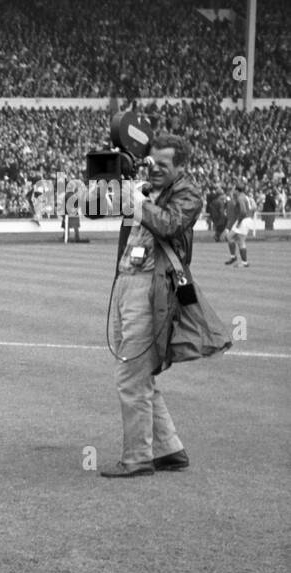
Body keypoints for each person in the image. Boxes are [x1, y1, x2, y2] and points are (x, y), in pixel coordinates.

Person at [101, 133, 201, 478]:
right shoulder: (142, 190)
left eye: (163, 165)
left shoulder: (188, 194)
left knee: (131, 377)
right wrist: (113, 181)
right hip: (128, 282)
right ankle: (169, 449)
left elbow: (171, 224)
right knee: (140, 374)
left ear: (181, 166)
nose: (154, 169)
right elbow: (94, 209)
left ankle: (138, 458)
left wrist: (137, 201)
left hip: (151, 289)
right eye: (150, 162)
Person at [223, 182, 254, 267]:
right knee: (231, 238)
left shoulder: (240, 198)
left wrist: (239, 222)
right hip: (246, 219)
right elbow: (253, 207)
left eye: (234, 189)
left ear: (237, 190)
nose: (233, 191)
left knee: (238, 240)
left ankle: (243, 262)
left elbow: (243, 211)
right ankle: (235, 258)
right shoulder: (245, 197)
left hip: (243, 220)